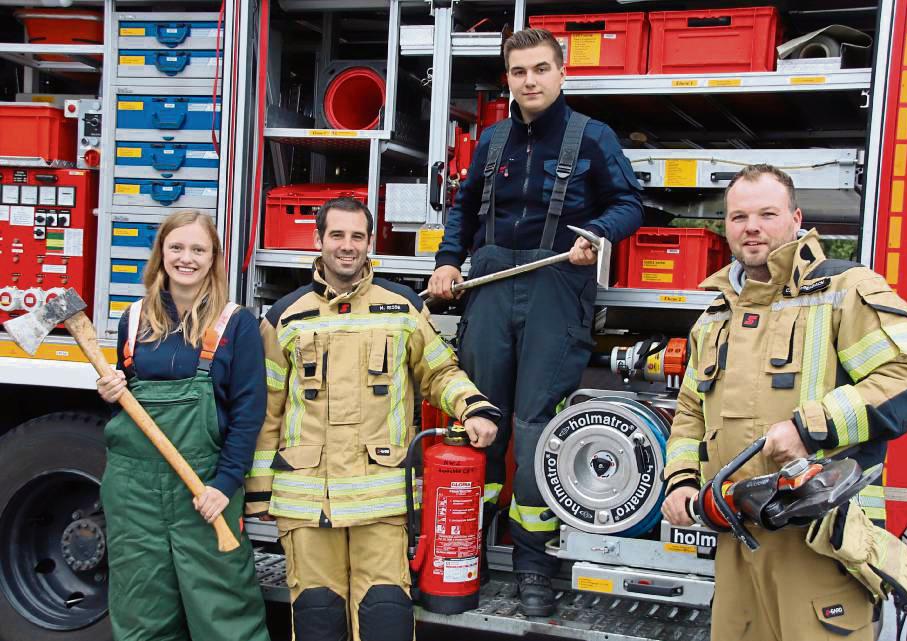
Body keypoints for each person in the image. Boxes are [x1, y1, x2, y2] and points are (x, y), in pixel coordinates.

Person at [661, 164, 907, 641]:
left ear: (796, 218)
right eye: (738, 217)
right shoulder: (715, 315)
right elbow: (690, 410)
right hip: (736, 541)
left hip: (821, 539)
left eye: (767, 214)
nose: (752, 227)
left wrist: (811, 426)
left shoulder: (845, 291)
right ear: (725, 228)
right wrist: (681, 480)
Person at [426, 27, 643, 615]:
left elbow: (629, 204)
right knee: (479, 420)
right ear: (508, 79)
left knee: (536, 429)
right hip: (490, 289)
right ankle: (459, 551)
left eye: (541, 69)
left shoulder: (592, 137)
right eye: (519, 72)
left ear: (561, 73)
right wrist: (448, 262)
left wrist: (597, 236)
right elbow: (463, 210)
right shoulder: (492, 141)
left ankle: (534, 566)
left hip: (555, 288)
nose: (531, 80)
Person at [245, 197, 501, 641]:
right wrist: (259, 493)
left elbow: (439, 372)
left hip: (381, 501)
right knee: (317, 618)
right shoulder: (285, 316)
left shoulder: (401, 307)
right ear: (318, 240)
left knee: (386, 618)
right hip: (308, 505)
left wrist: (472, 407)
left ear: (370, 243)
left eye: (357, 236)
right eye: (337, 235)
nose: (347, 246)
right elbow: (266, 409)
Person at [96, 210, 270, 641]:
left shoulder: (237, 324)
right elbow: (126, 409)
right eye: (176, 247)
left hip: (204, 490)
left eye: (198, 249)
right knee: (142, 614)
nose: (186, 258)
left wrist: (225, 484)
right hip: (134, 492)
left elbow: (249, 415)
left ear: (213, 259)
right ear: (161, 255)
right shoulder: (134, 319)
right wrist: (111, 389)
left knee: (224, 615)